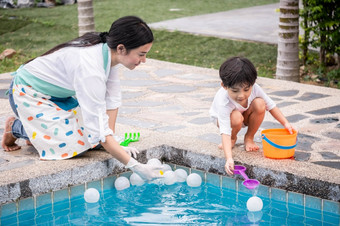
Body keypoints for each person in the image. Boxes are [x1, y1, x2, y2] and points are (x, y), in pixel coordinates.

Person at [1, 16, 162, 181]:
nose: (144, 60)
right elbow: (101, 132)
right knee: (71, 145)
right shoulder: (90, 68)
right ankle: (15, 127)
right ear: (121, 48)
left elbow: (111, 100)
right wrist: (137, 167)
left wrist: (112, 140)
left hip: (58, 97)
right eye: (141, 54)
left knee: (91, 138)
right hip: (29, 93)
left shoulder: (109, 54)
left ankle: (38, 130)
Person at [209, 57, 295, 175]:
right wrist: (229, 158)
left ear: (252, 84)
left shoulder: (255, 88)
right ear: (224, 86)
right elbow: (225, 130)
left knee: (260, 103)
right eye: (235, 91)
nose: (241, 95)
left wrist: (286, 123)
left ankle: (249, 138)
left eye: (246, 89)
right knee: (236, 117)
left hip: (244, 114)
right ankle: (233, 139)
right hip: (226, 119)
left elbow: (271, 106)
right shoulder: (224, 102)